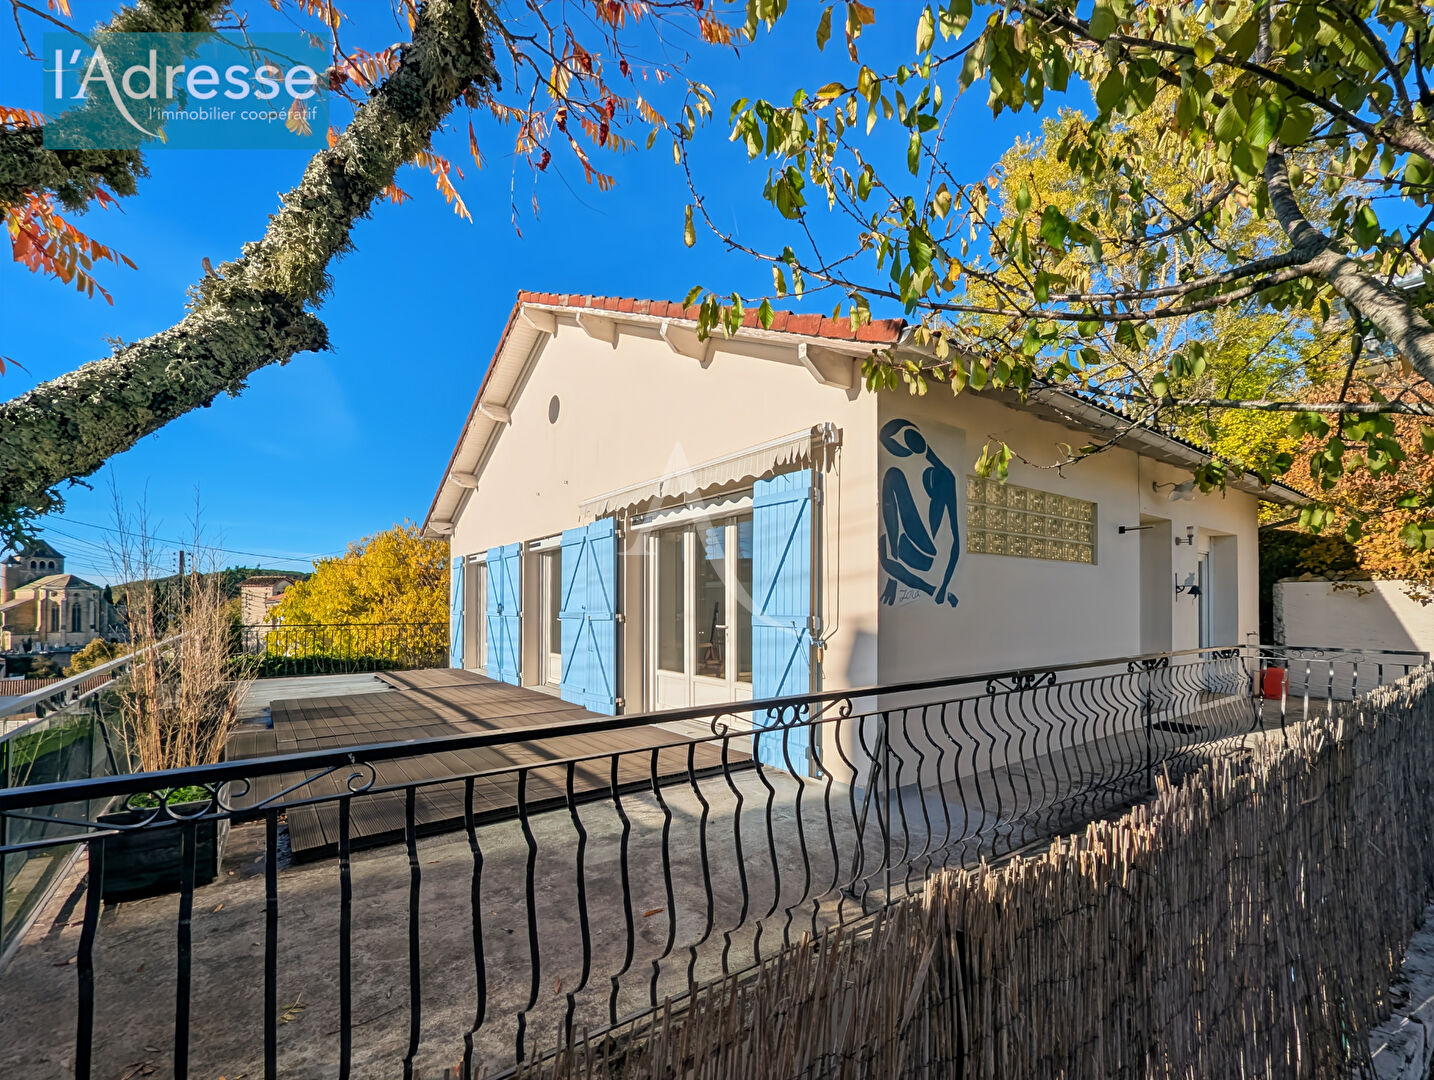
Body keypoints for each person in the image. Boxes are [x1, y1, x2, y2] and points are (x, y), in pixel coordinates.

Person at [878, 418, 960, 607]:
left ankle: (931, 589)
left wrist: (945, 583)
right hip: (904, 552)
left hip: (922, 556)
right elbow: (890, 520)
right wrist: (892, 580)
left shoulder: (942, 476)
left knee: (892, 476)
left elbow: (955, 538)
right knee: (892, 477)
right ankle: (931, 590)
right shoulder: (911, 470)